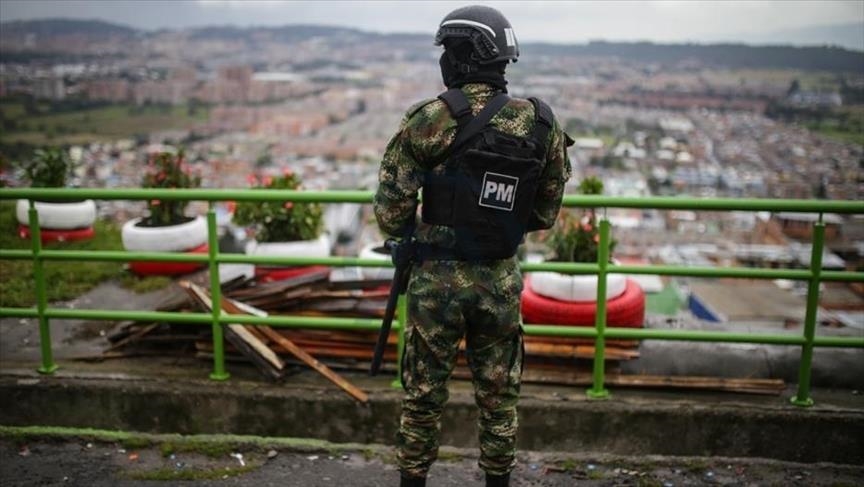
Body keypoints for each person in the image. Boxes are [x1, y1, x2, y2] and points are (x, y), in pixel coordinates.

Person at [374, 5, 572, 487]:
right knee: (500, 399)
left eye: (447, 50)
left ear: (461, 57)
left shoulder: (427, 119)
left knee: (422, 397)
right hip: (499, 281)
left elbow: (391, 214)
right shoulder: (541, 124)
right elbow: (544, 214)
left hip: (435, 283)